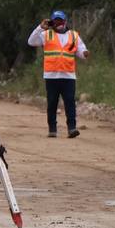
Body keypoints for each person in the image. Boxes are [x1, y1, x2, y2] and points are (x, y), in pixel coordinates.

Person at [28, 10, 90, 138]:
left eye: (60, 20)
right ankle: (52, 129)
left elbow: (81, 50)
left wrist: (84, 53)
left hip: (68, 75)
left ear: (65, 21)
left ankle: (72, 128)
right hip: (51, 76)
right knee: (52, 103)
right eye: (55, 21)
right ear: (52, 22)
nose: (58, 23)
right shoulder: (46, 34)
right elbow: (31, 42)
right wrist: (40, 27)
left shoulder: (73, 35)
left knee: (69, 102)